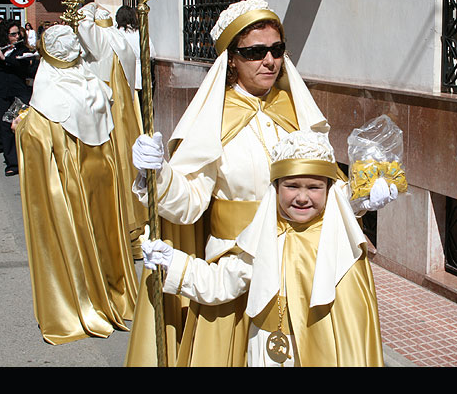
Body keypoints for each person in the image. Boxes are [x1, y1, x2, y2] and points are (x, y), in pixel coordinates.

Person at [125, 0, 394, 367]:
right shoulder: (212, 120)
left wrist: (362, 196)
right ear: (231, 59)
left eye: (276, 49)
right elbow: (187, 205)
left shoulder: (296, 109)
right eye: (255, 52)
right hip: (236, 263)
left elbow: (319, 188)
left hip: (303, 265)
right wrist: (157, 174)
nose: (269, 61)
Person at [142, 130, 384, 366]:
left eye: (313, 187)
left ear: (329, 189)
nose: (302, 197)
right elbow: (224, 282)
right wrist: (173, 263)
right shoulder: (264, 236)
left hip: (325, 348)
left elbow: (350, 199)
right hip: (268, 348)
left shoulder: (338, 238)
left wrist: (365, 195)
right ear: (276, 188)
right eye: (291, 186)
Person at [14, 24, 138, 344]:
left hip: (73, 180)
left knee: (77, 235)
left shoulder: (48, 99)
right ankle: (112, 293)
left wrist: (21, 125)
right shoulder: (95, 85)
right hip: (104, 175)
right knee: (105, 234)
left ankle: (84, 300)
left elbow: (37, 142)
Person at [76, 2, 148, 260]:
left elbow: (84, 27)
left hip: (108, 114)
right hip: (126, 111)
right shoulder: (120, 38)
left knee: (111, 167)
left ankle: (116, 232)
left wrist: (87, 10)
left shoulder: (102, 39)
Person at [0, 20, 35, 176]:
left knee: (20, 126)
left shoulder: (22, 50)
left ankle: (26, 159)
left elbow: (25, 68)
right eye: (13, 34)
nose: (16, 36)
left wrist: (5, 59)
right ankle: (12, 162)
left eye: (17, 33)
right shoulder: (2, 49)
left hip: (18, 94)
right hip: (2, 92)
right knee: (5, 127)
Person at [115, 5, 155, 114]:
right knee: (143, 108)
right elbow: (151, 53)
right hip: (142, 75)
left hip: (125, 74)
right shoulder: (139, 33)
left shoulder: (117, 34)